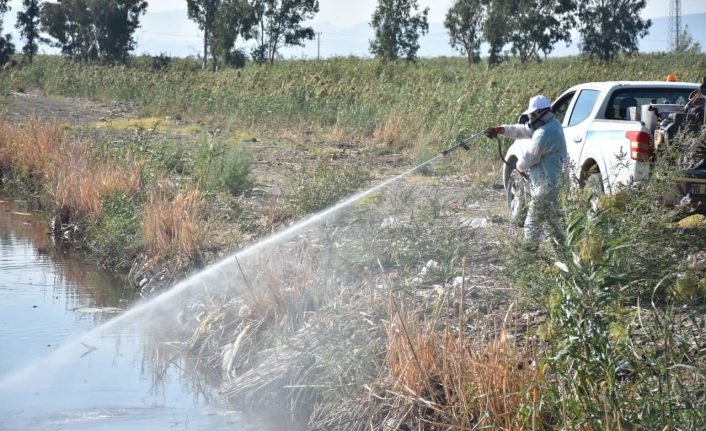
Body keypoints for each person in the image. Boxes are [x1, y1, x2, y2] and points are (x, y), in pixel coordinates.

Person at [486, 95, 568, 250]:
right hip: (552, 182)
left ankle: (529, 255)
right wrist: (501, 129)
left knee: (532, 222)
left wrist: (519, 167)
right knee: (553, 222)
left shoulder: (546, 133)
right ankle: (565, 254)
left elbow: (530, 158)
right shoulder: (550, 125)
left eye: (533, 115)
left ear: (543, 113)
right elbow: (522, 130)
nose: (531, 119)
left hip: (547, 185)